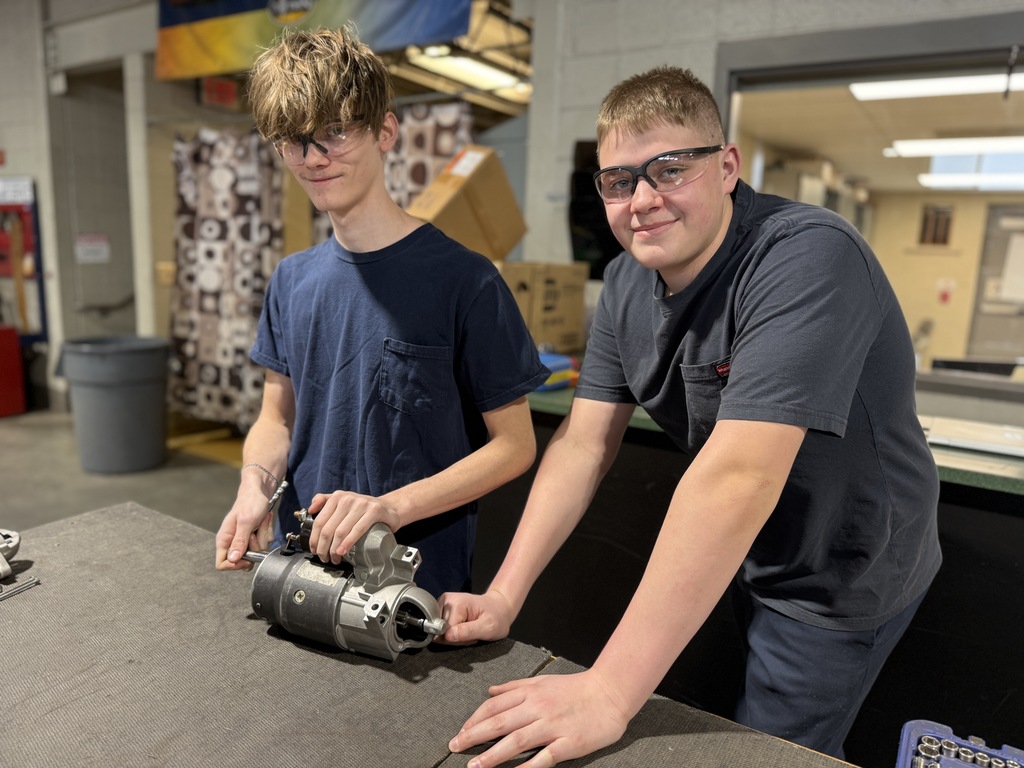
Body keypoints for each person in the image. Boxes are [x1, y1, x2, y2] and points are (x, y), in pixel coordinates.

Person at [441, 65, 941, 765]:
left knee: (765, 751)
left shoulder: (809, 255)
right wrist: (502, 596)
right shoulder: (623, 283)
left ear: (727, 167)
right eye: (619, 181)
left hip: (841, 568)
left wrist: (611, 691)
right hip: (750, 546)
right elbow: (584, 444)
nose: (642, 200)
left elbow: (737, 476)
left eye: (670, 169)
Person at [214, 25, 550, 598]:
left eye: (335, 133)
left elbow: (515, 446)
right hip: (298, 568)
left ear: (385, 131)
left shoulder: (465, 280)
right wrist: (254, 484)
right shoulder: (292, 279)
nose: (314, 159)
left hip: (412, 578)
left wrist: (391, 507)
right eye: (295, 142)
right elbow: (277, 418)